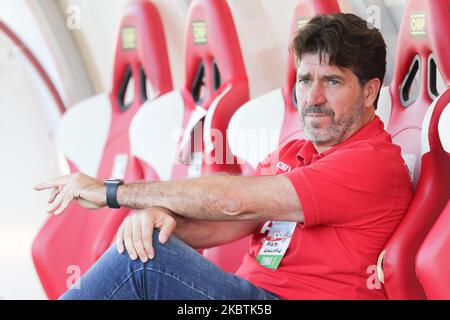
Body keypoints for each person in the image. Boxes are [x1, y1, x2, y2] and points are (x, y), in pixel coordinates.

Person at [34, 13, 412, 300]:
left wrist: (114, 192)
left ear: (369, 91)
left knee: (140, 264)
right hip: (245, 296)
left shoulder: (371, 162)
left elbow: (232, 202)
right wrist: (159, 222)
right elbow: (221, 227)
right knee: (145, 246)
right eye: (304, 80)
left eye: (332, 81)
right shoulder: (292, 154)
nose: (312, 97)